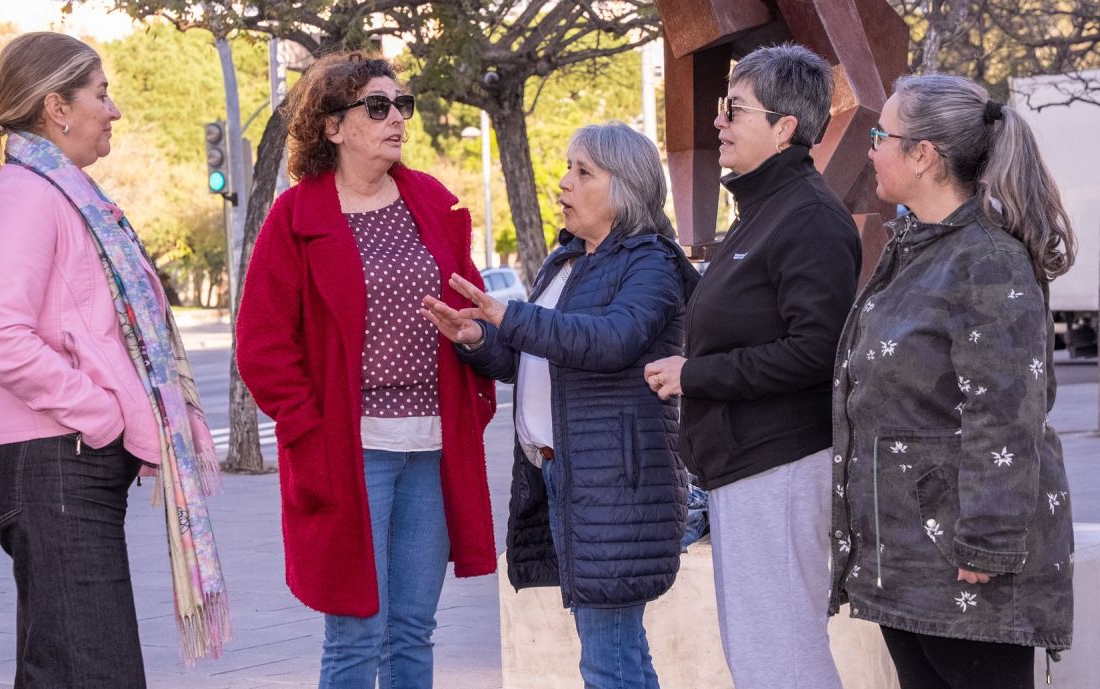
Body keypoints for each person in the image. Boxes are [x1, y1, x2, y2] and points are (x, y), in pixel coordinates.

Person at [0, 32, 228, 687]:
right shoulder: (25, 197)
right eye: (101, 93)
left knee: (64, 671)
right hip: (51, 464)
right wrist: (103, 415)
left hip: (67, 465)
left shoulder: (66, 197)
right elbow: (2, 340)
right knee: (95, 673)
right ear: (56, 107)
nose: (115, 110)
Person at [235, 52, 497, 689]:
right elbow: (262, 344)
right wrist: (309, 427)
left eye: (400, 105)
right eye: (376, 107)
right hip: (350, 452)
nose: (395, 118)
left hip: (433, 446)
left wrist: (474, 343)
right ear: (333, 126)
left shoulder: (431, 204)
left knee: (412, 629)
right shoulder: (296, 218)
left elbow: (474, 309)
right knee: (356, 634)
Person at [423, 122, 697, 689]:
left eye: (582, 172)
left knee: (608, 656)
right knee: (617, 650)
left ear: (623, 188)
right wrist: (477, 338)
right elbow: (536, 358)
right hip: (565, 477)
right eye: (569, 168)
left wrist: (509, 316)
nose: (563, 184)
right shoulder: (567, 260)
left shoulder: (651, 262)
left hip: (615, 484)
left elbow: (609, 340)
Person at [828, 73, 1076, 689]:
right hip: (909, 558)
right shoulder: (920, 247)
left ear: (923, 155)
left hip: (961, 561)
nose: (871, 147)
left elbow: (1007, 413)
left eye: (882, 134)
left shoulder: (987, 260)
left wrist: (987, 543)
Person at [644, 44, 860, 689]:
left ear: (784, 127)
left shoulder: (810, 217)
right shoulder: (764, 210)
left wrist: (694, 375)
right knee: (763, 653)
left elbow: (816, 352)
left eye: (734, 109)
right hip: (747, 465)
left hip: (782, 465)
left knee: (780, 654)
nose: (719, 122)